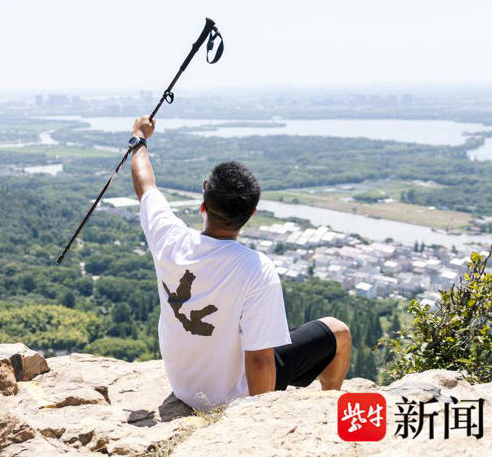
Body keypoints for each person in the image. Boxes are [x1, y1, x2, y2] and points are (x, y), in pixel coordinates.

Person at [127, 115, 351, 410]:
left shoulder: (170, 239)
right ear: (252, 214)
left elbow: (146, 186)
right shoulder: (255, 269)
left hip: (184, 388)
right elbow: (260, 358)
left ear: (203, 205)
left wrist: (138, 139)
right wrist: (254, 420)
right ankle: (328, 404)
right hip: (234, 401)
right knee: (337, 332)